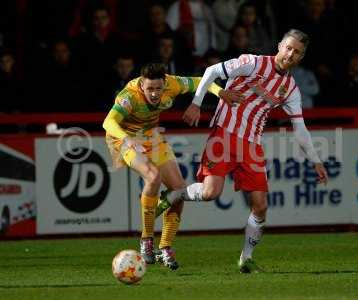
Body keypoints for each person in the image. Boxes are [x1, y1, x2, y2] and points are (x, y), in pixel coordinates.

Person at [158, 29, 328, 273]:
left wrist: (316, 160)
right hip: (224, 135)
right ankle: (173, 195)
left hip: (252, 144)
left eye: (297, 52)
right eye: (288, 48)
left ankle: (246, 258)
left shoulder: (290, 89)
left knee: (260, 206)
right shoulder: (253, 62)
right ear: (279, 45)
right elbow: (212, 71)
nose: (290, 54)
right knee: (210, 193)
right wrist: (196, 103)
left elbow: (299, 128)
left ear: (301, 57)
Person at [102, 63, 240, 270]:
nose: (155, 94)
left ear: (164, 83)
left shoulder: (172, 84)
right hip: (124, 138)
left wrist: (220, 92)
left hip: (151, 136)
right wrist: (127, 139)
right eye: (150, 89)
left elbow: (201, 81)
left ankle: (165, 246)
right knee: (152, 176)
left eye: (158, 88)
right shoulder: (128, 96)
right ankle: (146, 240)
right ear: (141, 84)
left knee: (178, 190)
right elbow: (108, 122)